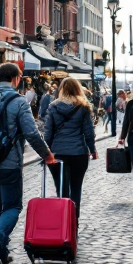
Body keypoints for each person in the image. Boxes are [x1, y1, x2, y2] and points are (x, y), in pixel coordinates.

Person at [0, 62, 56, 264]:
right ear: (16, 78)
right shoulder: (18, 101)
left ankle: (0, 253)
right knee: (12, 207)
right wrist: (47, 155)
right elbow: (31, 133)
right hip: (8, 162)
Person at [43, 77, 98, 219]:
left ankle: (63, 224)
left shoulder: (53, 106)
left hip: (58, 153)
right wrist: (93, 150)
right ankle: (74, 224)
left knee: (61, 189)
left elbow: (48, 133)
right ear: (78, 89)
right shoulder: (83, 107)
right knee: (76, 189)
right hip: (78, 153)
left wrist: (46, 152)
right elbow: (88, 132)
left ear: (61, 90)